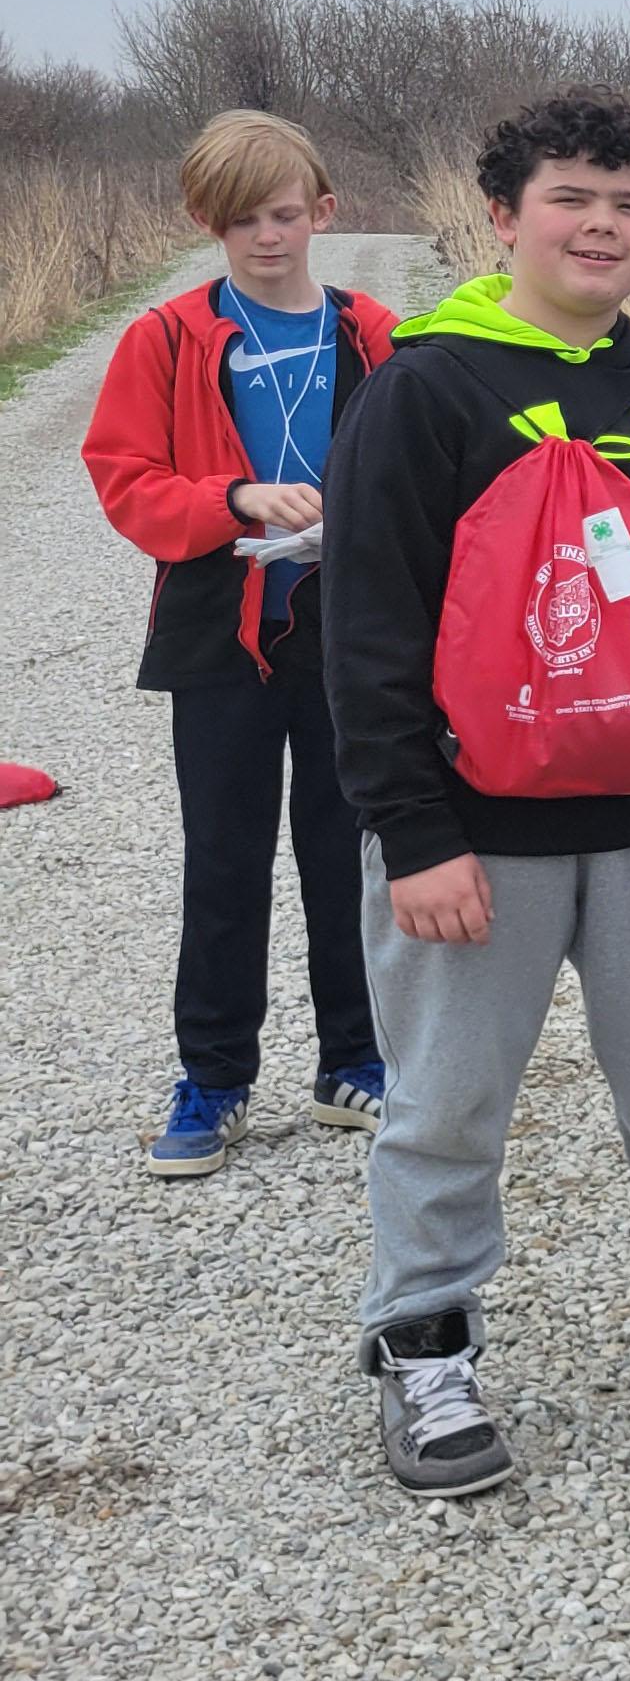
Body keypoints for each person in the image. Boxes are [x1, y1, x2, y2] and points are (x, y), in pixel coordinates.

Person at [318, 93, 630, 1493]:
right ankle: (423, 1347)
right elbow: (366, 629)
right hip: (476, 831)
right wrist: (413, 834)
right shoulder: (424, 390)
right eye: (572, 198)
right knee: (449, 1097)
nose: (601, 225)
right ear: (504, 215)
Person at [81, 111, 400, 1177]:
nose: (266, 239)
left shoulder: (375, 332)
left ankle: (353, 1062)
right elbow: (126, 480)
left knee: (344, 854)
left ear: (322, 212)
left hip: (342, 629)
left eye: (282, 215)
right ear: (203, 224)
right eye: (240, 222)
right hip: (219, 631)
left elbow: (415, 473)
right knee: (223, 860)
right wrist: (234, 496)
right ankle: (213, 1079)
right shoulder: (166, 336)